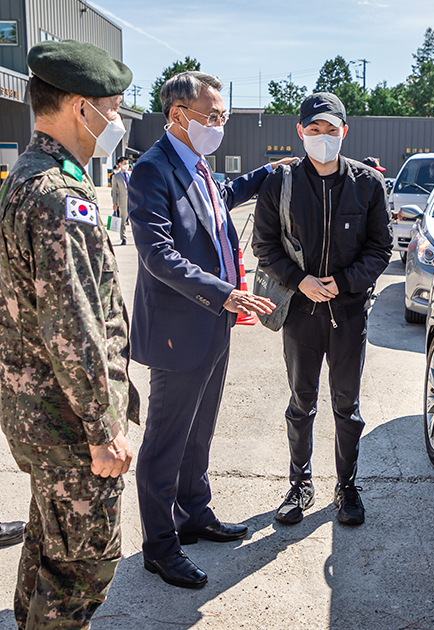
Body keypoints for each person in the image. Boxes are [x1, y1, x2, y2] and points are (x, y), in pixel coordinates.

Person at [128, 71, 288, 590]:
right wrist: (225, 294)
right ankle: (160, 544)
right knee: (165, 440)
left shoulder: (197, 165)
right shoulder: (153, 171)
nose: (220, 126)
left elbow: (223, 194)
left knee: (201, 430)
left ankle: (194, 512)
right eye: (212, 117)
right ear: (178, 116)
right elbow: (158, 256)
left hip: (211, 324)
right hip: (181, 328)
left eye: (224, 117)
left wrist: (268, 172)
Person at [0, 40, 138, 629]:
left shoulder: (22, 179)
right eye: (114, 105)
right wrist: (103, 430)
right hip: (69, 424)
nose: (119, 119)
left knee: (47, 548)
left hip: (36, 414)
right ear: (81, 108)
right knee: (83, 569)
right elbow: (74, 325)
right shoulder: (60, 199)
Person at [252, 92, 392, 526]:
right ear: (300, 132)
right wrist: (300, 282)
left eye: (331, 130)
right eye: (314, 129)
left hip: (348, 314)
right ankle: (299, 483)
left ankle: (346, 485)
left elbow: (381, 247)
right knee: (302, 402)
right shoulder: (280, 182)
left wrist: (346, 281)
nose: (322, 137)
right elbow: (264, 245)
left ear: (344, 132)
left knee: (347, 405)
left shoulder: (368, 183)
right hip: (300, 313)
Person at [111, 156, 130, 245]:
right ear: (120, 164)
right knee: (123, 221)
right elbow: (114, 191)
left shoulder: (131, 174)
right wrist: (114, 203)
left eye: (127, 163)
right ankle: (123, 237)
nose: (127, 165)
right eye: (125, 164)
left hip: (133, 200)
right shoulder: (116, 176)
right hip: (122, 201)